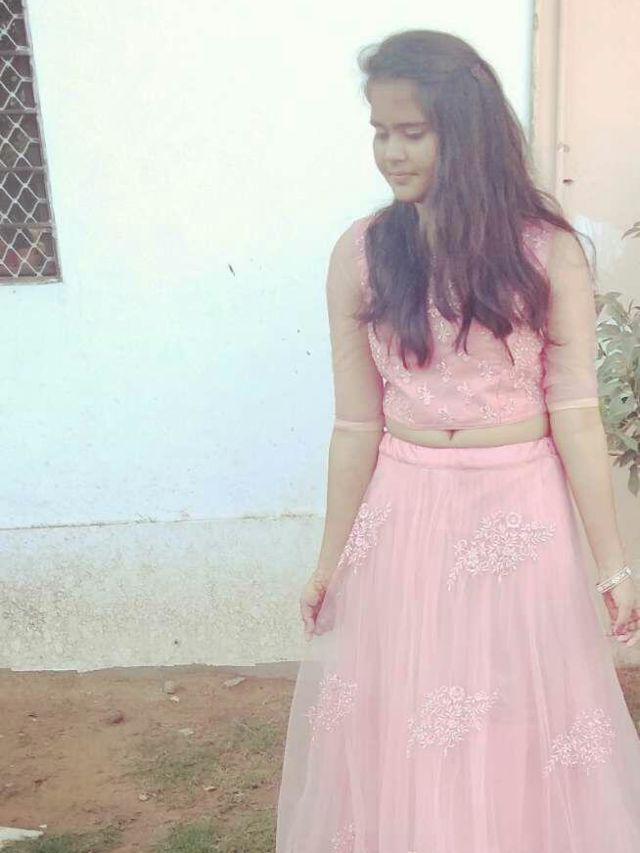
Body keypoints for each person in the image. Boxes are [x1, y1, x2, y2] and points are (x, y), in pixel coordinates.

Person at [275, 29, 640, 853]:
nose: (391, 152)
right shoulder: (362, 253)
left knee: (515, 711)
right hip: (404, 512)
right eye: (380, 131)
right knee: (412, 712)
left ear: (464, 130)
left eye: (412, 131)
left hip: (519, 509)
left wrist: (612, 563)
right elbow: (355, 424)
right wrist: (329, 561)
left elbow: (577, 412)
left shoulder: (546, 252)